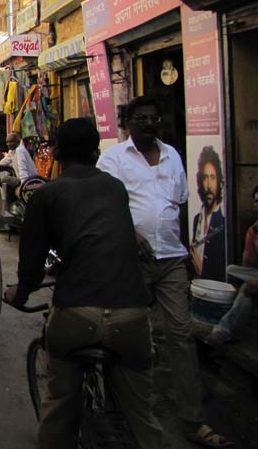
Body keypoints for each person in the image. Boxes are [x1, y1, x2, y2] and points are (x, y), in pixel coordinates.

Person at [5, 118, 163, 449]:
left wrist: (18, 295)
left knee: (61, 403)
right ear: (96, 152)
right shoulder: (115, 189)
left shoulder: (46, 196)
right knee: (142, 415)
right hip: (132, 314)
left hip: (77, 315)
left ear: (58, 153)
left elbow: (32, 267)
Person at [97, 96, 232, 448]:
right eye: (140, 118)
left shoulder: (172, 156)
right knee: (128, 334)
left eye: (154, 118)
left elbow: (179, 203)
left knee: (181, 335)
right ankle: (122, 409)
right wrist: (131, 232)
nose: (148, 123)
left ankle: (192, 419)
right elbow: (107, 205)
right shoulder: (113, 158)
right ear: (127, 122)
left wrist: (187, 249)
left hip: (171, 258)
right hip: (131, 259)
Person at [206, 185, 258, 345]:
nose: (256, 205)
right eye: (256, 202)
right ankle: (226, 330)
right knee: (232, 271)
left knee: (247, 290)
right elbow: (248, 264)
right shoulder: (254, 230)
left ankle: (224, 330)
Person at [191, 146, 226, 280]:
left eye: (213, 177)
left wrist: (202, 270)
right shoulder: (196, 219)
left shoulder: (223, 222)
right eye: (205, 177)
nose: (209, 185)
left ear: (219, 182)